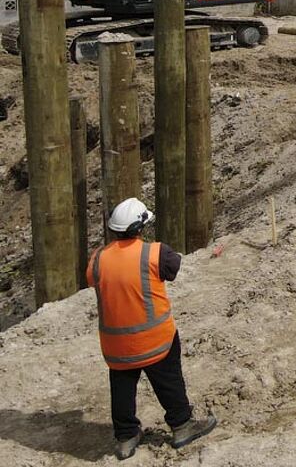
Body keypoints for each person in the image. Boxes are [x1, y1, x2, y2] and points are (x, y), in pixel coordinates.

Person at [86, 197, 217, 460]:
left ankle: (125, 438)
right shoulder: (155, 253)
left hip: (116, 347)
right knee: (169, 380)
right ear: (140, 227)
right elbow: (173, 268)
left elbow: (93, 280)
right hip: (156, 340)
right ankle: (181, 426)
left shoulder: (98, 260)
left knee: (122, 388)